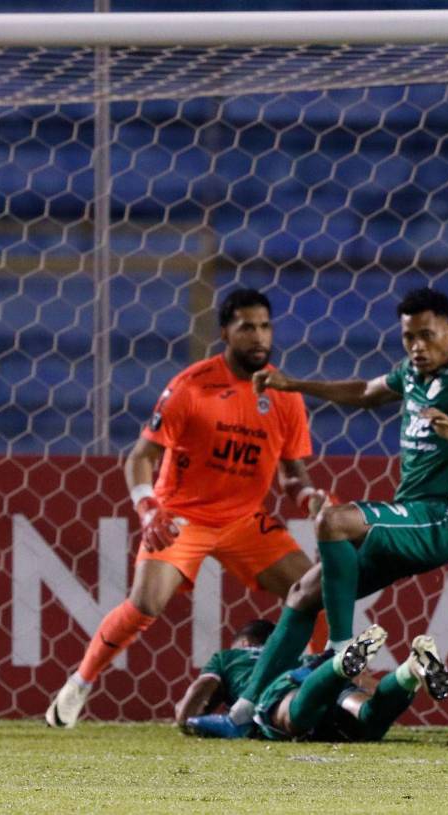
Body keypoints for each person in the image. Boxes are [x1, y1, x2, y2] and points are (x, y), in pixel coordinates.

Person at [191, 286, 448, 738]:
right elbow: (365, 392)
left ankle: (339, 649)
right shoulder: (411, 373)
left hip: (437, 519)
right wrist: (296, 385)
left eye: (427, 335)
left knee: (334, 520)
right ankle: (240, 716)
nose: (418, 347)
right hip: (408, 513)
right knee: (303, 592)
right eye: (409, 338)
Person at [46, 288, 327, 728]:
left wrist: (309, 498)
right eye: (247, 327)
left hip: (243, 521)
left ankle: (322, 693)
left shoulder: (284, 395)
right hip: (182, 517)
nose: (258, 337)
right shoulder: (192, 386)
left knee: (318, 594)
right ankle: (79, 684)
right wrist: (146, 508)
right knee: (145, 604)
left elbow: (293, 474)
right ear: (225, 334)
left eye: (265, 326)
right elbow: (140, 456)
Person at [176, 622, 448, 742]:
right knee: (368, 719)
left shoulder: (229, 656)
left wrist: (185, 718)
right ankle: (408, 671)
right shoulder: (298, 655)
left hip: (286, 689)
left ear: (246, 642)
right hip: (314, 671)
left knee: (292, 715)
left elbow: (201, 688)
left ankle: (336, 665)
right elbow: (367, 683)